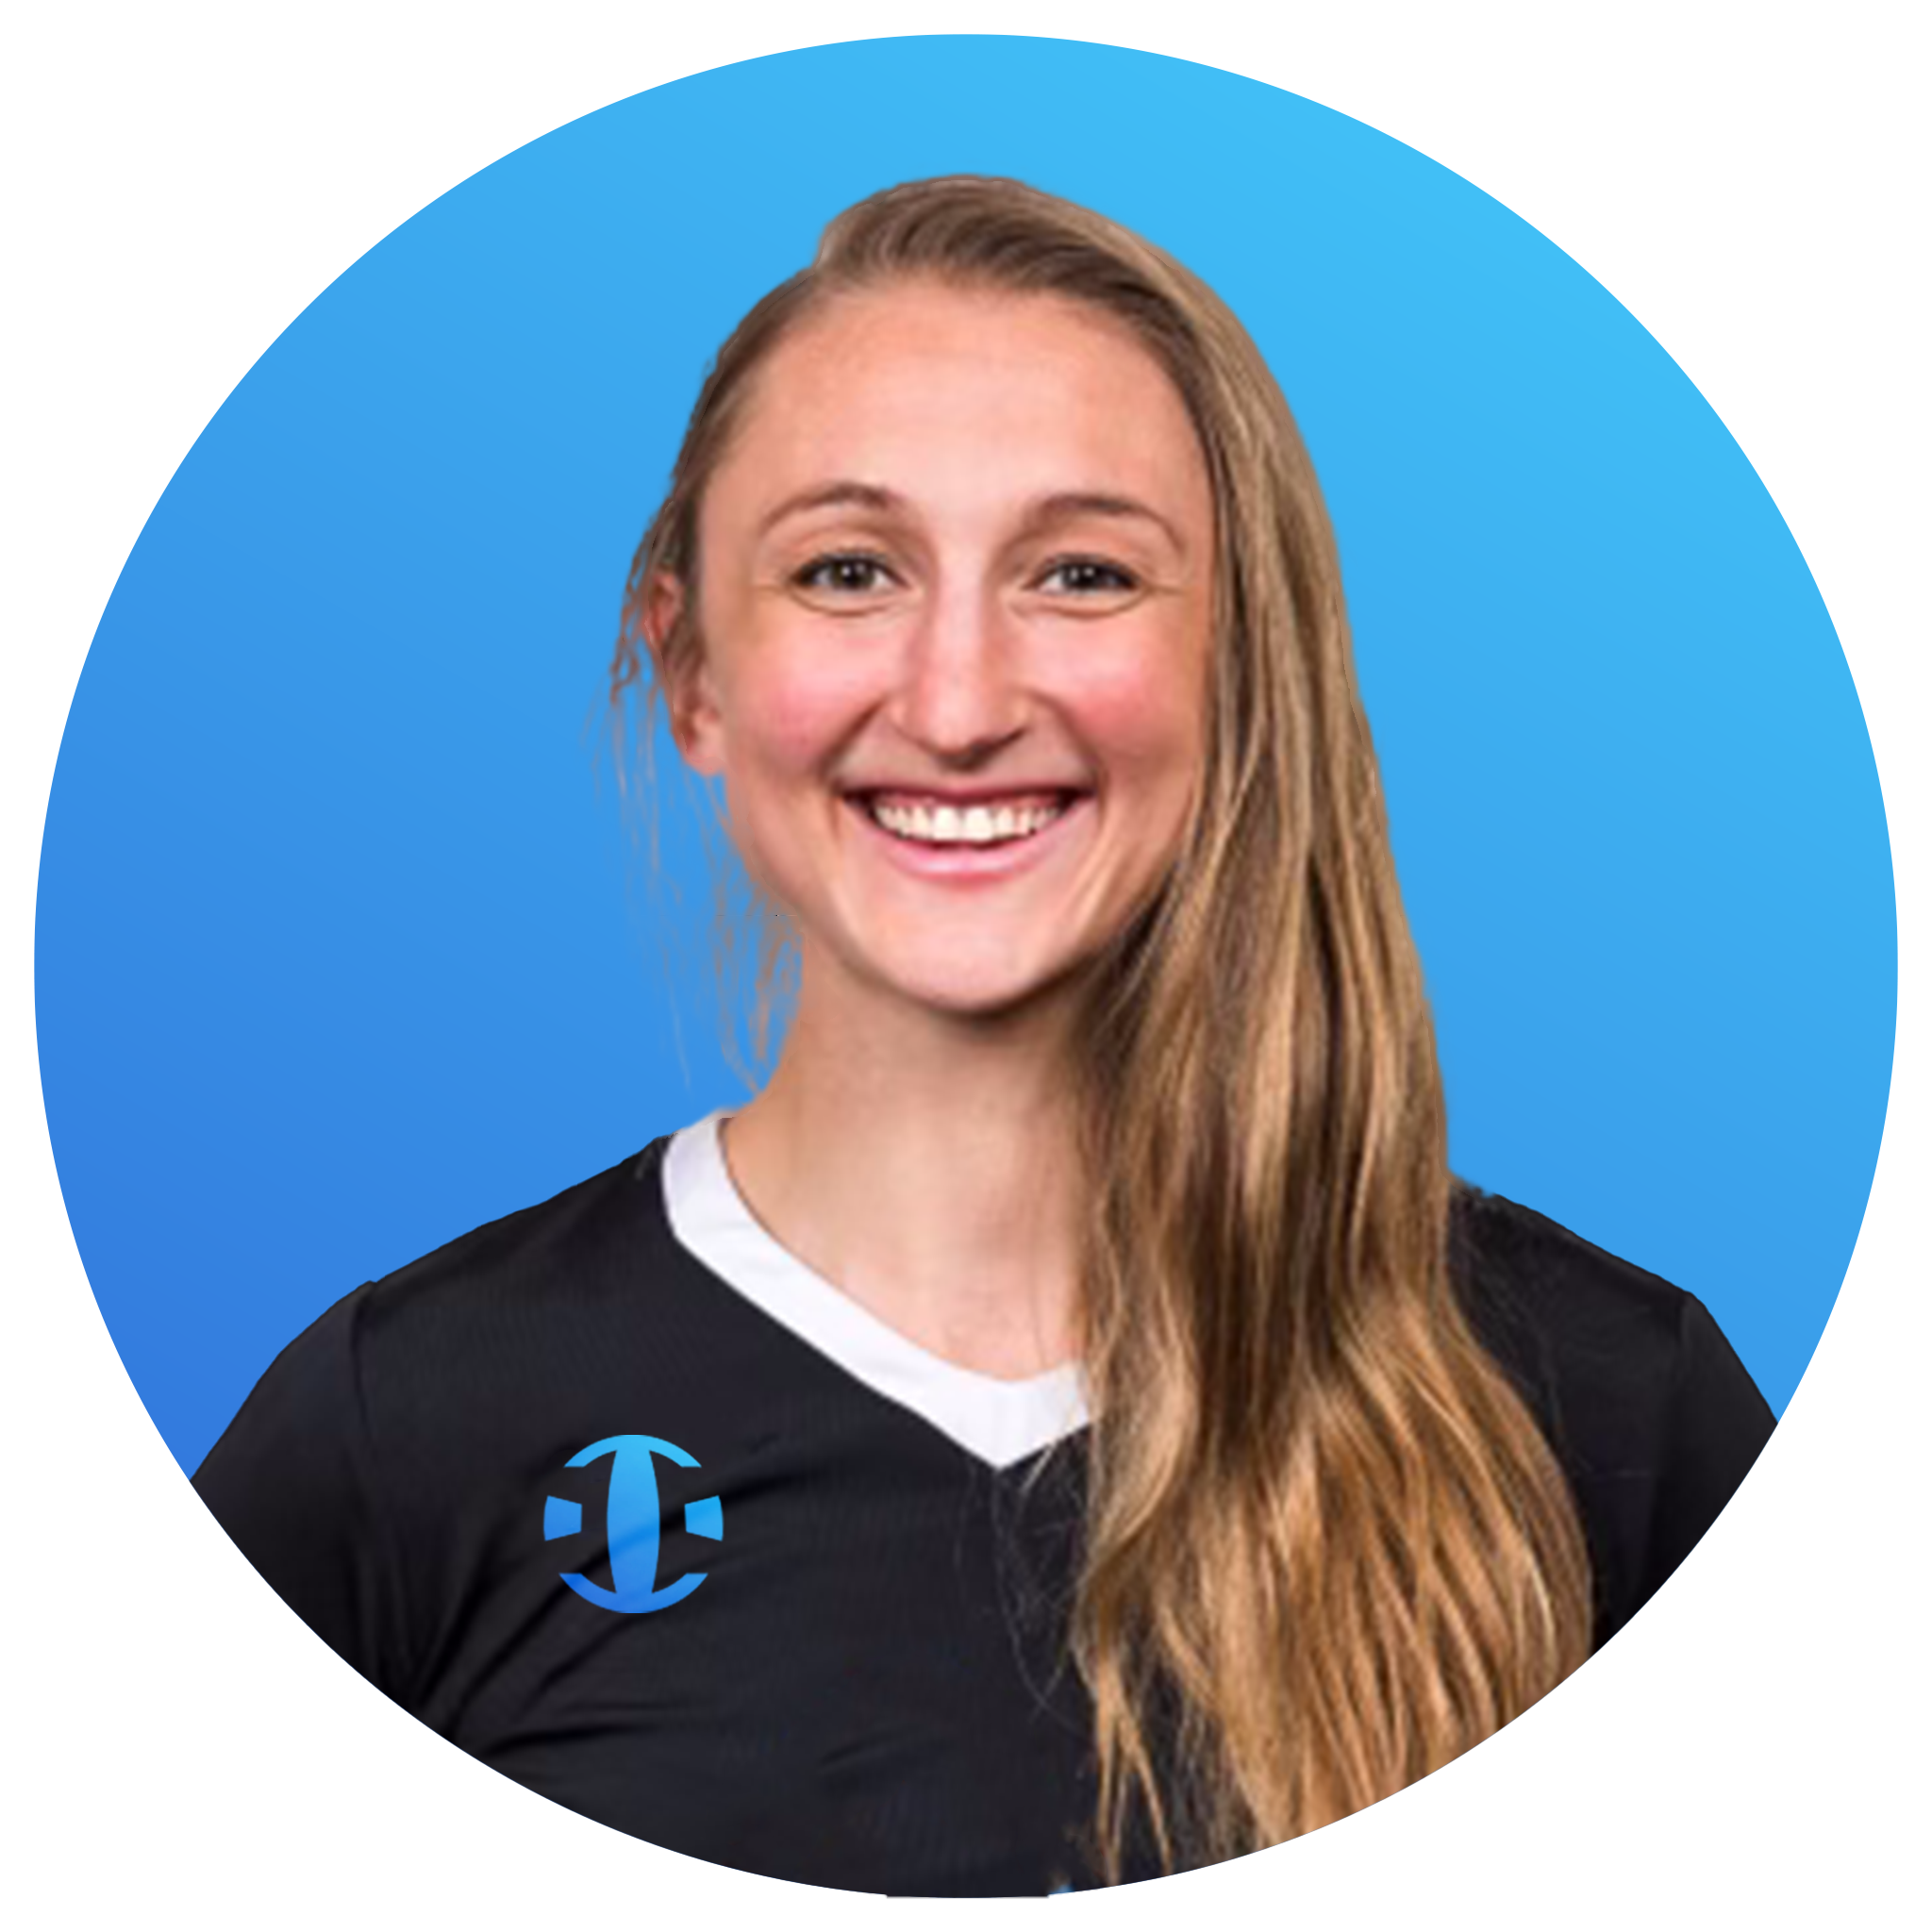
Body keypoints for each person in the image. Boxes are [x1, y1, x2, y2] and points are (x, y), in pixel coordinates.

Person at [193, 175, 1775, 1897]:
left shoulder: (1610, 1415)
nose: (956, 703)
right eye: (848, 570)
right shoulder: (408, 1433)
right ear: (692, 675)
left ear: (1243, 666)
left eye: (1083, 573)